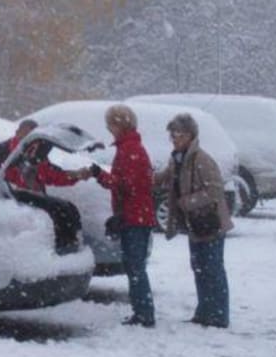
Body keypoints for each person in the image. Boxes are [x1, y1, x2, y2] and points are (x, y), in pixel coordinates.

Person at [158, 112, 233, 328]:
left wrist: (187, 202)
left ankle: (219, 315)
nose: (175, 139)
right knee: (199, 268)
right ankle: (204, 312)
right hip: (195, 225)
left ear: (191, 136)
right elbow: (164, 178)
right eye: (172, 135)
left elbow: (214, 191)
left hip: (210, 223)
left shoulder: (202, 160)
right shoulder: (177, 158)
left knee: (213, 269)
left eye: (180, 135)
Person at [89, 104, 157, 327]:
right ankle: (142, 311)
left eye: (110, 124)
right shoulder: (129, 147)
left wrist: (100, 175)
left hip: (135, 217)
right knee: (134, 266)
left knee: (135, 267)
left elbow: (126, 185)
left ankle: (144, 313)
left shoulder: (130, 150)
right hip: (136, 214)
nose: (108, 129)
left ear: (120, 124)